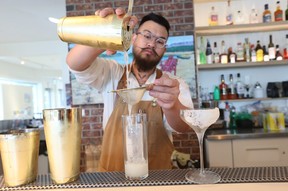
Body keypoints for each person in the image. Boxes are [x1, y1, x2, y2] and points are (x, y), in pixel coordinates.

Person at [66, 7, 194, 172]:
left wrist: (172, 104)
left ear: (164, 49)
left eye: (160, 41)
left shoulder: (173, 84)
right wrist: (106, 31)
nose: (151, 44)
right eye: (147, 36)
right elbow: (74, 63)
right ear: (133, 38)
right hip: (110, 178)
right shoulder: (113, 73)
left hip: (159, 179)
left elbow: (183, 128)